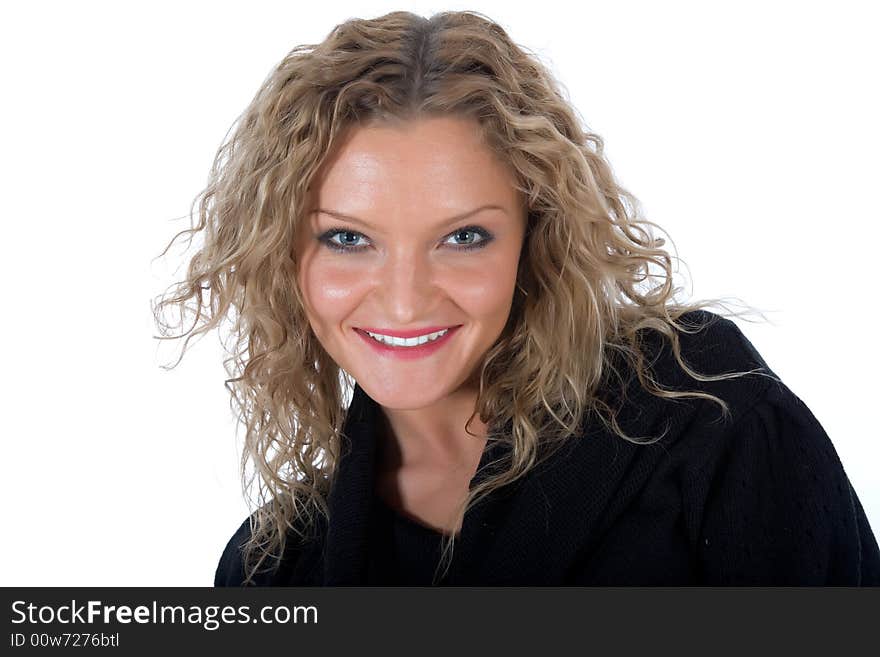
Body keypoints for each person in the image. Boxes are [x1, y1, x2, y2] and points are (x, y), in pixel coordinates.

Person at [152, 9, 880, 585]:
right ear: (283, 255)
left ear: (537, 237)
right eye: (347, 239)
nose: (404, 302)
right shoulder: (271, 568)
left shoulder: (706, 413)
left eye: (464, 237)